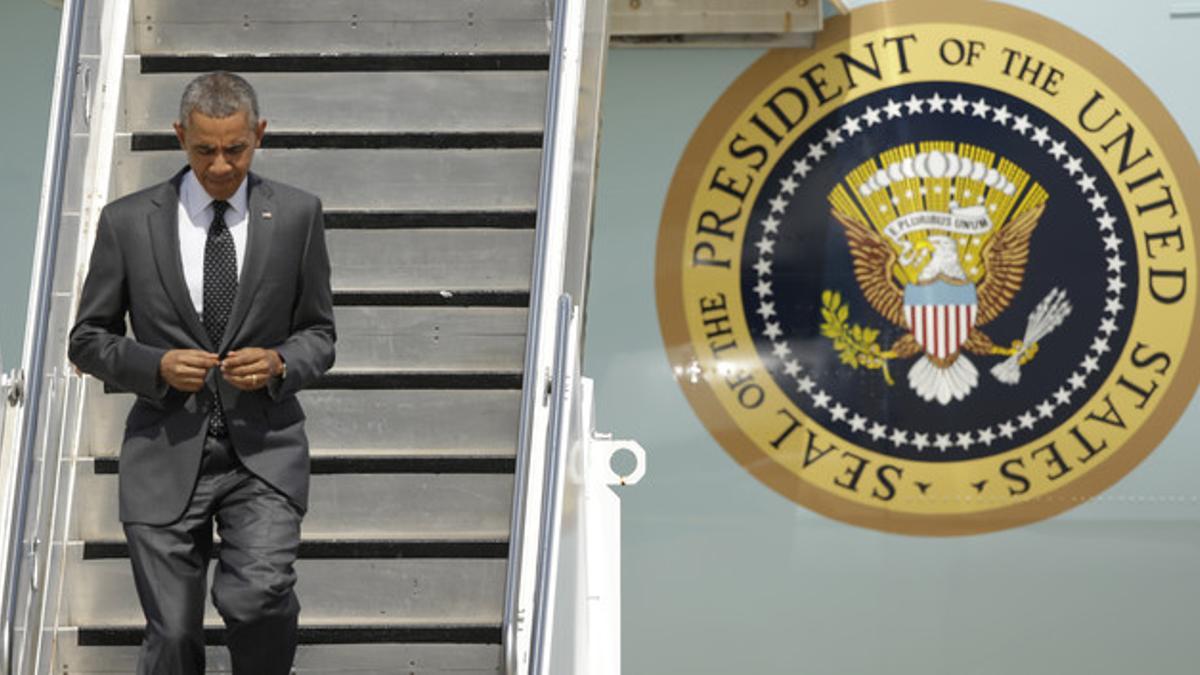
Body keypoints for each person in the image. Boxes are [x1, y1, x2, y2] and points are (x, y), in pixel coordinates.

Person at [68, 71, 335, 675]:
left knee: (257, 596)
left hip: (263, 453)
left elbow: (320, 335)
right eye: (204, 149)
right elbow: (87, 340)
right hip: (163, 455)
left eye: (235, 149)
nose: (220, 165)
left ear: (259, 135)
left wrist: (278, 362)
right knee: (173, 637)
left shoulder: (296, 216)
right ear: (179, 136)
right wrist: (153, 364)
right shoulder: (128, 222)